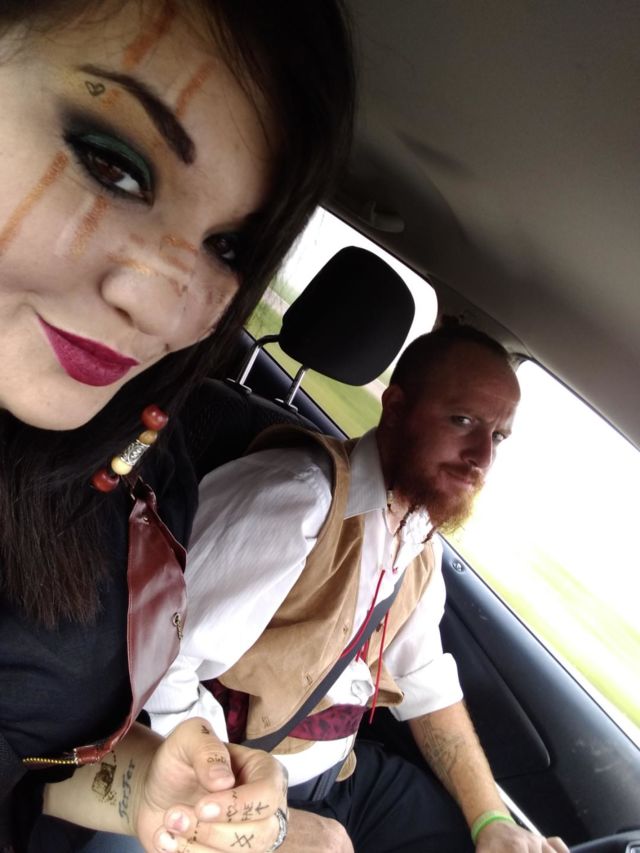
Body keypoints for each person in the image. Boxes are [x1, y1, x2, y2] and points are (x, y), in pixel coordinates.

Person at [0, 1, 354, 851]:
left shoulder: (146, 478)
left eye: (229, 247)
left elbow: (28, 756)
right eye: (112, 165)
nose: (167, 309)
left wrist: (148, 794)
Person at [146, 325, 572, 853]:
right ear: (395, 407)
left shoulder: (417, 540)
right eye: (462, 421)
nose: (482, 457)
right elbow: (160, 664)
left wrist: (492, 822)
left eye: (498, 436)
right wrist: (259, 822)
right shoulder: (297, 500)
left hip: (343, 779)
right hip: (236, 780)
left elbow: (425, 684)